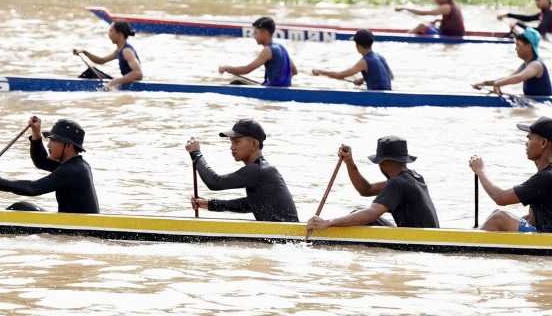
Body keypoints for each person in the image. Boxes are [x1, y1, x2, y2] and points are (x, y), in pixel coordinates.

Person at [306, 137, 439, 230]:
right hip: (422, 235)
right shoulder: (414, 177)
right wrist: (349, 162)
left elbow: (371, 213)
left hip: (419, 242)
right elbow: (366, 190)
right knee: (356, 214)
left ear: (384, 162)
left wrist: (328, 223)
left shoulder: (397, 184)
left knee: (359, 219)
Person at [0, 116, 100, 213]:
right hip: (70, 222)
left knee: (18, 208)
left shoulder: (73, 170)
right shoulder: (75, 164)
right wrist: (36, 133)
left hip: (78, 227)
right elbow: (41, 161)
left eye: (53, 141)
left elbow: (33, 188)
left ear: (68, 146)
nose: (49, 145)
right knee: (21, 207)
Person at [187, 119, 298, 222]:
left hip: (286, 238)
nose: (232, 147)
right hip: (282, 237)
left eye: (237, 142)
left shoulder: (258, 170)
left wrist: (196, 154)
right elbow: (248, 205)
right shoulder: (262, 171)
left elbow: (215, 183)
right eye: (231, 142)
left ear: (254, 144)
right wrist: (209, 204)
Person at [469, 117, 552, 233]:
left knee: (499, 218)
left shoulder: (546, 177)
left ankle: (462, 249)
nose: (526, 143)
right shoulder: (545, 175)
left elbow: (500, 198)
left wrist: (480, 170)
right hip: (545, 236)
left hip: (547, 241)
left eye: (530, 138)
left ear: (543, 143)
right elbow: (532, 219)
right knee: (498, 216)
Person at [218, 17, 297, 87]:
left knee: (236, 83)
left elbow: (246, 70)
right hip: (282, 89)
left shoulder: (267, 50)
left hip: (272, 91)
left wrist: (227, 68)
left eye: (256, 32)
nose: (254, 35)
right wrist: (280, 82)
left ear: (265, 33)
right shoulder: (282, 48)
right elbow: (294, 71)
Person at [472, 27, 550, 96]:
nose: (515, 49)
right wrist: (484, 83)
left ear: (529, 47)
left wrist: (498, 84)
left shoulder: (536, 65)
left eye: (518, 45)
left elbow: (519, 78)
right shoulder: (525, 64)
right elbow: (509, 78)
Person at [311, 29, 392, 90]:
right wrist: (363, 79)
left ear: (358, 46)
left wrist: (321, 72)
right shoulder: (380, 57)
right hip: (387, 93)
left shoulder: (364, 61)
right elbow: (390, 76)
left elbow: (340, 75)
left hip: (377, 97)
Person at [73, 20, 143, 90]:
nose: (109, 34)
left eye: (111, 31)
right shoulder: (119, 51)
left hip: (133, 86)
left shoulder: (127, 51)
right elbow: (101, 61)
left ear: (120, 34)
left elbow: (138, 73)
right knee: (91, 72)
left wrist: (115, 82)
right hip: (125, 82)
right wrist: (85, 53)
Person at [395, 0, 465, 36]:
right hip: (455, 33)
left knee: (422, 26)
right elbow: (453, 20)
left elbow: (424, 13)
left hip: (450, 35)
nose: (434, 0)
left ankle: (405, 38)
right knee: (427, 25)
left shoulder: (446, 7)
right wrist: (440, 20)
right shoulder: (454, 4)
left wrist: (405, 8)